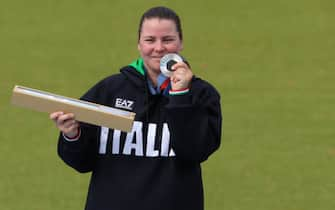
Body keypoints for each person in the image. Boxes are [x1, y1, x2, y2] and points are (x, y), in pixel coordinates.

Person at [50, 6, 222, 210]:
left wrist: (180, 96)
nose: (159, 48)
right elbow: (81, 162)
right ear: (139, 44)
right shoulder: (109, 91)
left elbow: (196, 151)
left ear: (180, 42)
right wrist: (72, 135)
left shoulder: (202, 94)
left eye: (167, 39)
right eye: (150, 40)